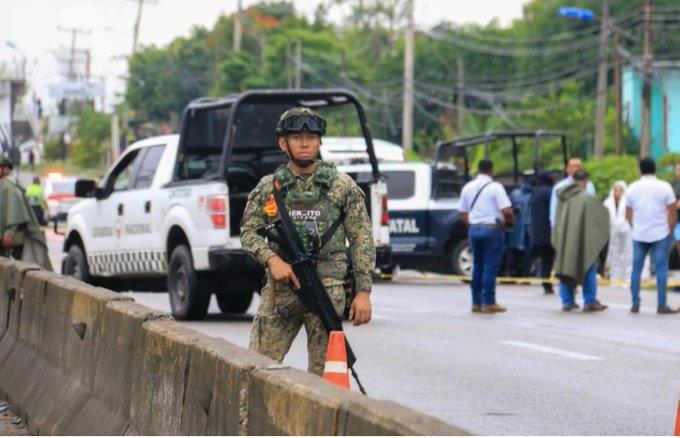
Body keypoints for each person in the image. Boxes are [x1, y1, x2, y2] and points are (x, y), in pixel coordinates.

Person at [240, 107, 374, 375]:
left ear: (319, 142)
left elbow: (361, 239)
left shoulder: (341, 186)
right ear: (283, 143)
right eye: (297, 137)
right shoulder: (270, 187)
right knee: (256, 369)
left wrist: (363, 291)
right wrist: (273, 260)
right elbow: (248, 231)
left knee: (325, 375)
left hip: (327, 289)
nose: (305, 142)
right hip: (282, 290)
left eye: (311, 137)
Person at [458, 159, 514, 313]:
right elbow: (507, 210)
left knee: (478, 265)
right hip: (491, 229)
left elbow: (462, 212)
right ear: (492, 170)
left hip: (474, 230)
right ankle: (488, 302)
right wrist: (509, 223)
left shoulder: (468, 187)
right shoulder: (496, 187)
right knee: (490, 266)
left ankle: (476, 302)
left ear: (478, 170)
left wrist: (472, 224)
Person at [624, 157, 679, 314]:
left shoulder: (632, 187)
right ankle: (661, 305)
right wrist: (670, 228)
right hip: (660, 233)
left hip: (639, 234)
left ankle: (635, 303)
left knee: (636, 269)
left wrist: (634, 227)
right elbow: (672, 210)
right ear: (655, 169)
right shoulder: (664, 186)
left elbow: (627, 212)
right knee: (661, 269)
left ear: (640, 170)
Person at [552, 170, 609, 312]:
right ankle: (589, 301)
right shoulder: (588, 198)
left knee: (566, 267)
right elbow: (602, 217)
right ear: (584, 181)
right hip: (585, 241)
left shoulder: (562, 198)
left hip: (566, 241)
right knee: (589, 266)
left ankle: (567, 301)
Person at [0, 158, 52, 270]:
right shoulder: (9, 184)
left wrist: (9, 232)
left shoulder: (8, 186)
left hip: (14, 236)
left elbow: (14, 209)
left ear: (5, 168)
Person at [529, 170, 555, 294]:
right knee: (548, 258)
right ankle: (548, 283)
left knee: (545, 258)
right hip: (548, 231)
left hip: (537, 231)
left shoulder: (535, 191)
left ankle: (546, 282)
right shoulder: (548, 192)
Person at [603, 181, 632, 283]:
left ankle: (627, 276)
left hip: (626, 230)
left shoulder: (628, 201)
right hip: (613, 231)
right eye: (616, 190)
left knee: (627, 253)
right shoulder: (608, 202)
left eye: (620, 190)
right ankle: (615, 276)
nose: (617, 192)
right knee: (614, 253)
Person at [505, 174, 534, 277]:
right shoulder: (534, 193)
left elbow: (508, 209)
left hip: (517, 227)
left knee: (513, 251)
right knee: (527, 254)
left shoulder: (515, 193)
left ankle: (510, 275)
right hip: (529, 227)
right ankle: (525, 276)